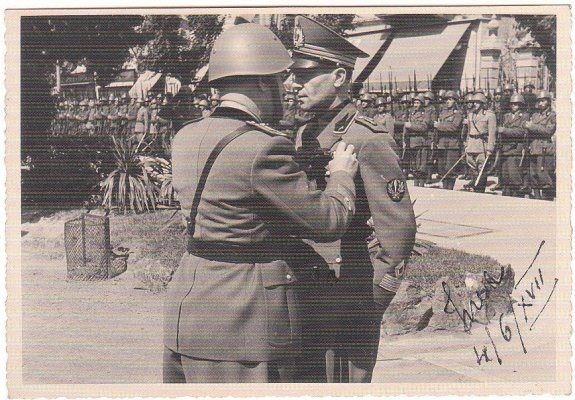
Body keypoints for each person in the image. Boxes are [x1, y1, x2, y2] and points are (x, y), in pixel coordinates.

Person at [163, 22, 359, 384]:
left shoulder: (186, 136)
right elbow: (328, 221)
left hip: (188, 309)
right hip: (243, 322)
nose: (287, 87)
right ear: (258, 82)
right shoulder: (263, 147)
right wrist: (341, 175)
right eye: (278, 78)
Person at [290, 15, 416, 383]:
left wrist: (375, 297)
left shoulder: (368, 139)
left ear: (340, 77)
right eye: (294, 75)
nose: (293, 84)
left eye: (304, 75)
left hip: (350, 287)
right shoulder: (304, 133)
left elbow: (398, 229)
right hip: (305, 283)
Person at [525, 90, 556, 200]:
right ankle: (537, 201)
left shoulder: (552, 115)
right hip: (534, 148)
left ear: (548, 101)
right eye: (539, 101)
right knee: (534, 177)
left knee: (545, 177)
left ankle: (547, 202)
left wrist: (532, 127)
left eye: (543, 101)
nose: (541, 103)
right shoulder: (535, 115)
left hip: (544, 149)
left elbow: (549, 131)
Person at [463, 92, 497, 192]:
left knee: (482, 169)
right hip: (471, 144)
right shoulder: (470, 115)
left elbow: (492, 133)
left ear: (482, 103)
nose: (475, 104)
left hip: (482, 145)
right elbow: (469, 131)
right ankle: (474, 186)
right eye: (474, 102)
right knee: (472, 167)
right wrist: (466, 144)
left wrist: (490, 148)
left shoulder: (490, 115)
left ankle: (480, 190)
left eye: (477, 102)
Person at [497, 93, 530, 197]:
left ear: (521, 105)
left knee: (514, 175)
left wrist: (505, 130)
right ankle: (506, 195)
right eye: (512, 104)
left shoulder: (524, 116)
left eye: (516, 104)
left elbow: (522, 131)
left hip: (516, 149)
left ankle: (517, 197)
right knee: (505, 175)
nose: (513, 106)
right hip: (505, 148)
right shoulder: (506, 116)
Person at [433, 90, 464, 190]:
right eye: (446, 100)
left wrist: (439, 126)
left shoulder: (458, 113)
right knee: (442, 169)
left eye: (450, 100)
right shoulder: (442, 113)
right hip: (442, 143)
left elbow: (454, 127)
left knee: (450, 169)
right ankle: (445, 189)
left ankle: (449, 189)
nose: (447, 102)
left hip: (452, 144)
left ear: (455, 101)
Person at [404, 93, 433, 187]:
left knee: (422, 166)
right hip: (412, 142)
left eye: (417, 103)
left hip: (421, 142)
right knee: (414, 166)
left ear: (422, 104)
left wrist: (411, 126)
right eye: (414, 103)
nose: (415, 105)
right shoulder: (411, 113)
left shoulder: (425, 113)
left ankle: (421, 185)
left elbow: (424, 127)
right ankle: (416, 185)